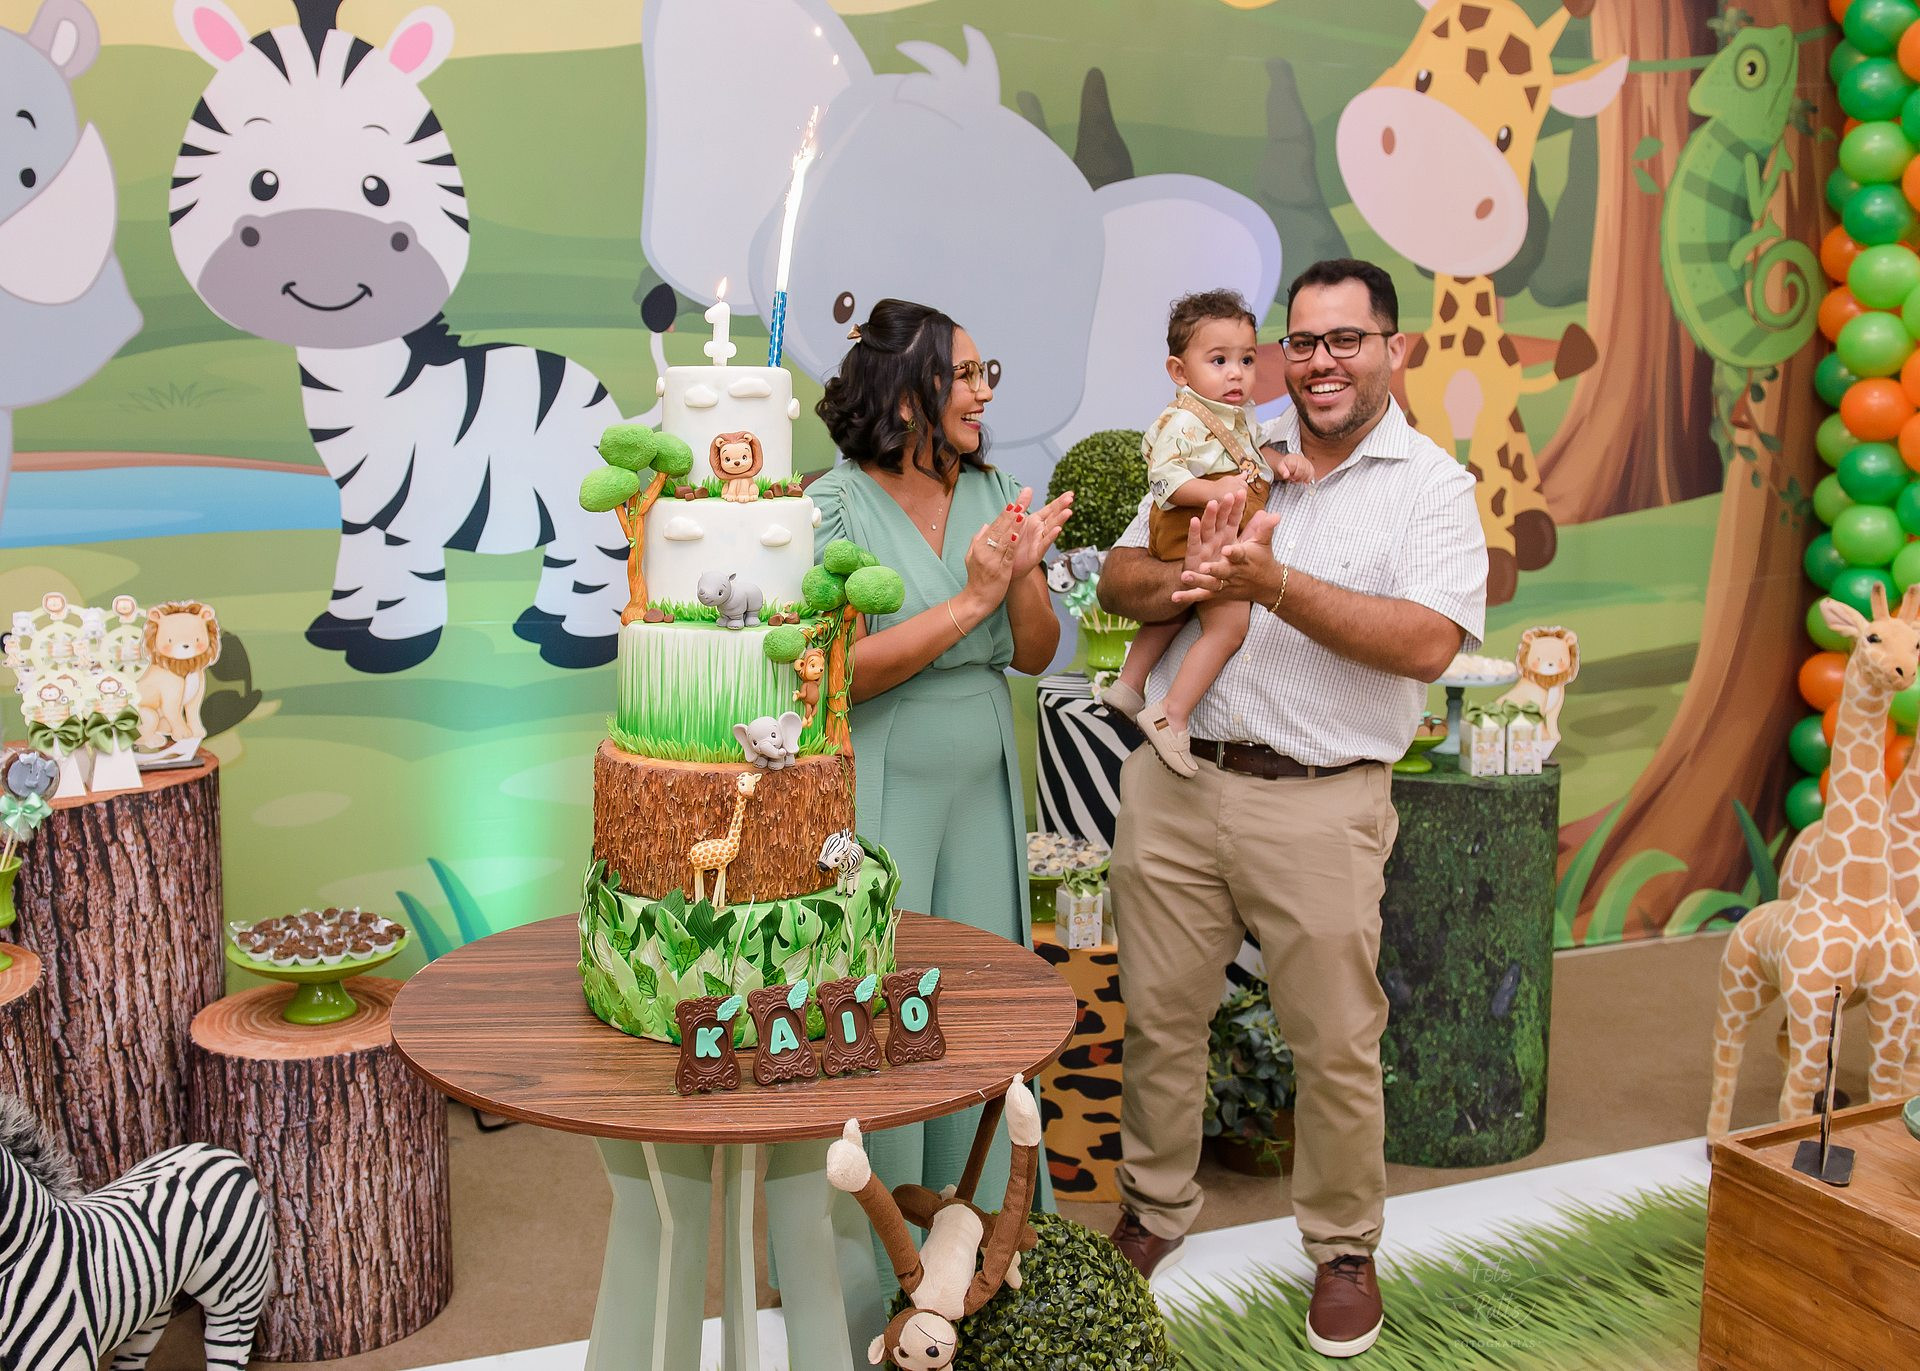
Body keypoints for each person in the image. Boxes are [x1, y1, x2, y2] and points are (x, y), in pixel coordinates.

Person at [1095, 259, 1488, 1360]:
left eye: (1345, 339)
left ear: (1394, 349)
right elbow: (1119, 576)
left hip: (1322, 801)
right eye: (1302, 342)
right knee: (1160, 1020)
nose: (1320, 362)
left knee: (1335, 1042)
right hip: (1177, 780)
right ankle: (1153, 1207)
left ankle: (1344, 1248)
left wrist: (1269, 583)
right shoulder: (1224, 442)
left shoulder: (1431, 487)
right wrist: (1186, 580)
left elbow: (1426, 642)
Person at [808, 297, 1073, 1264]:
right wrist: (971, 598)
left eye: (982, 372)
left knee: (981, 997)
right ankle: (874, 1256)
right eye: (962, 374)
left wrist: (1024, 574)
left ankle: (987, 1242)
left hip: (984, 771)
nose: (981, 391)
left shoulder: (996, 488)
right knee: (882, 999)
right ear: (904, 392)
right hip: (881, 775)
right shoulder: (835, 505)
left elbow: (1035, 653)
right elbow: (838, 676)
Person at [1100, 289, 1312, 776]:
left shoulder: (1235, 416)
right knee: (1228, 626)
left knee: (1179, 607)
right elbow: (1164, 479)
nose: (1236, 373)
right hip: (1193, 525)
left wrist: (1281, 462)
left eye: (1246, 360)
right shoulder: (1183, 420)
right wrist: (1214, 491)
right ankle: (1171, 714)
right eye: (1219, 360)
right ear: (1180, 372)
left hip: (1200, 525)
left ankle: (1129, 685)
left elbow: (1250, 455)